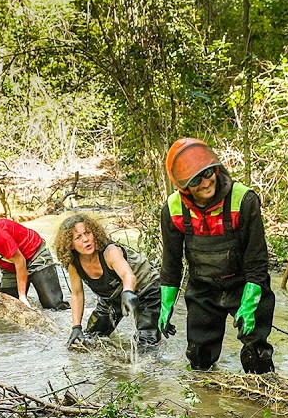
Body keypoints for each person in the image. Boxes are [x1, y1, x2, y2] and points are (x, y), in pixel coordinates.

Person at [159, 138, 275, 374]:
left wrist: (250, 303)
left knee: (256, 354)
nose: (206, 183)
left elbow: (257, 261)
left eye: (208, 173)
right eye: (195, 180)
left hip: (245, 284)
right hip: (203, 289)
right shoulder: (173, 209)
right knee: (198, 358)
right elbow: (171, 262)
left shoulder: (244, 200)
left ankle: (263, 388)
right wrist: (166, 304)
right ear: (184, 186)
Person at [53, 213, 161, 347]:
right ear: (70, 244)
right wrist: (76, 327)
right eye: (78, 237)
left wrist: (128, 292)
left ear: (94, 233)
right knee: (90, 339)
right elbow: (77, 293)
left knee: (147, 343)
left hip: (146, 290)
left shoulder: (110, 252)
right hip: (111, 298)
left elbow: (127, 275)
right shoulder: (74, 263)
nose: (86, 239)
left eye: (88, 233)